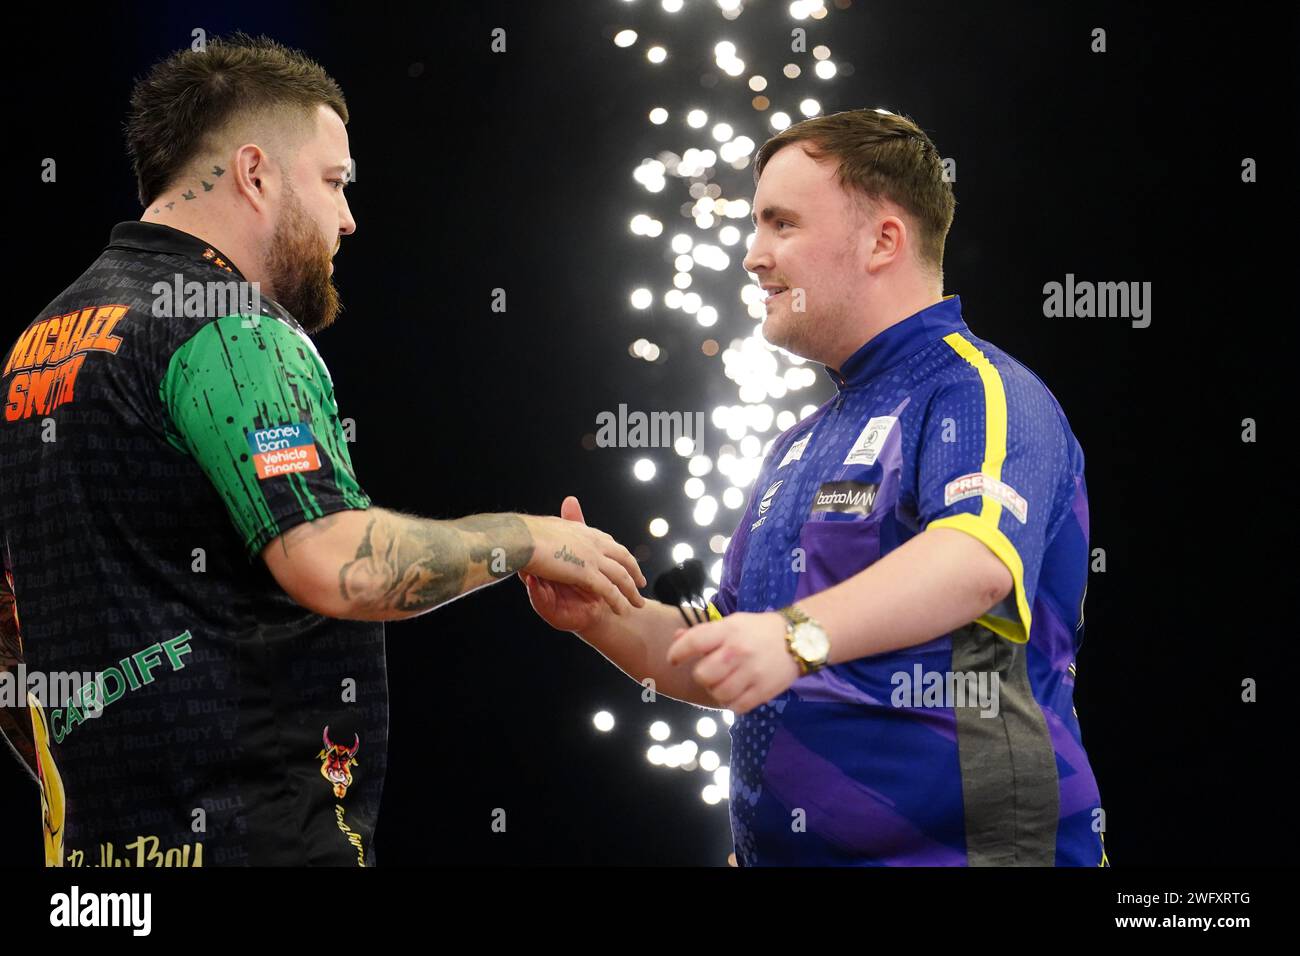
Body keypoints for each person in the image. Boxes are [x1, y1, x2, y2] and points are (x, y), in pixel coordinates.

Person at [0, 32, 643, 867]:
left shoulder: (40, 343)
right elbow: (343, 566)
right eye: (334, 182)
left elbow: (10, 636)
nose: (347, 217)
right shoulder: (235, 328)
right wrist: (530, 538)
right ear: (256, 172)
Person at [525, 108, 1107, 866]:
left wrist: (793, 637)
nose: (752, 256)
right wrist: (602, 616)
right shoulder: (799, 444)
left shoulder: (980, 392)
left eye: (781, 224)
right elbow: (729, 648)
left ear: (883, 241)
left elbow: (975, 561)